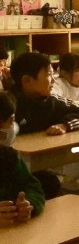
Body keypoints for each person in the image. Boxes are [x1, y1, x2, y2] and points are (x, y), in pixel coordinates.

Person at [10, 52, 79, 198]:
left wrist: (65, 125)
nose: (54, 79)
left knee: (50, 183)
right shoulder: (7, 104)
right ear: (27, 80)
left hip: (36, 167)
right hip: (10, 169)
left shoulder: (51, 101)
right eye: (49, 74)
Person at [0, 91, 45, 228]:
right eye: (10, 122)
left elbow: (31, 186)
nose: (13, 127)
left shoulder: (9, 155)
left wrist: (28, 204)